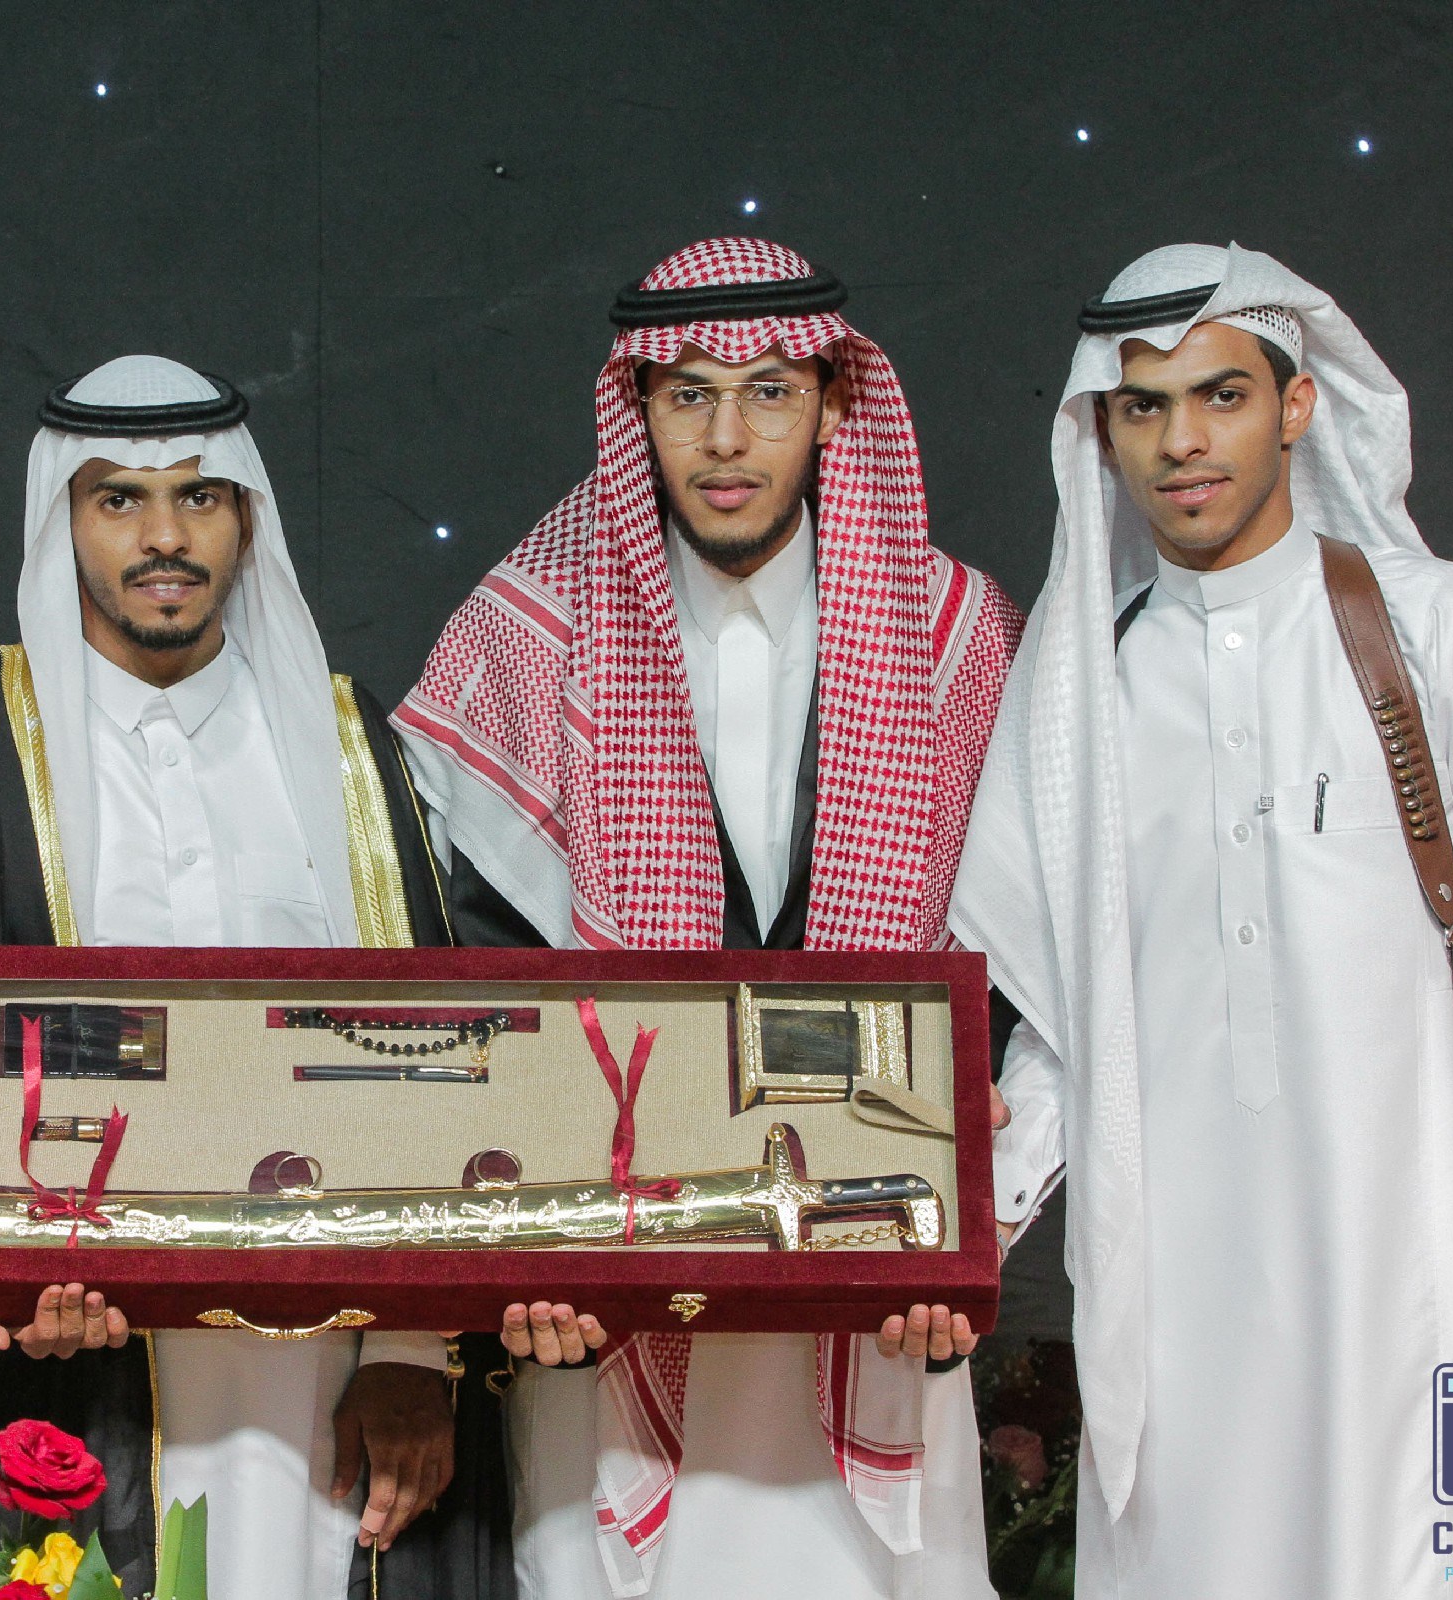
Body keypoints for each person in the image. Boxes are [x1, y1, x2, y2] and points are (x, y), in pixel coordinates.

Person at [952, 242, 1453, 1597]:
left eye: (1222, 396)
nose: (1182, 443)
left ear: (1297, 405)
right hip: (1177, 1338)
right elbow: (1067, 1033)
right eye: (1143, 407)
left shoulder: (1441, 625)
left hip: (1449, 1295)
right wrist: (961, 1240)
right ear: (1102, 430)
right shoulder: (1083, 696)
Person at [0, 355, 506, 1600]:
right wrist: (10, 1279)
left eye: (200, 497)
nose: (164, 536)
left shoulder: (349, 742)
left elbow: (435, 1057)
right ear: (62, 521)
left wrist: (409, 1350)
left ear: (246, 519)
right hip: (60, 1351)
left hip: (316, 1356)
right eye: (119, 499)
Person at [393, 237, 1019, 1599]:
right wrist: (522, 1227)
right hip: (599, 1307)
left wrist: (977, 1216)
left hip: (880, 1298)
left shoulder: (954, 636)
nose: (726, 440)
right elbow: (468, 975)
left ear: (837, 403)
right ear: (638, 406)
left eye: (769, 392)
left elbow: (1018, 983)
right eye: (687, 395)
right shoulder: (530, 631)